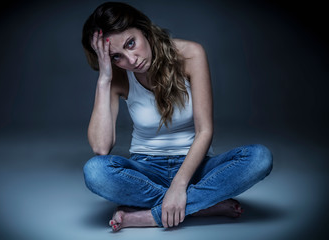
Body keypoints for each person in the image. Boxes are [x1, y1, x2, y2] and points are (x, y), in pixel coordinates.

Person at [81, 2, 273, 232]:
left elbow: (205, 131)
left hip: (196, 167)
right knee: (94, 171)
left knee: (259, 158)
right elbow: (101, 147)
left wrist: (179, 185)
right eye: (117, 56)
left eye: (131, 43)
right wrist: (104, 78)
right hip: (147, 172)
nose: (131, 60)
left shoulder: (191, 54)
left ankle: (154, 215)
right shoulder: (119, 76)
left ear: (143, 29)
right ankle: (201, 206)